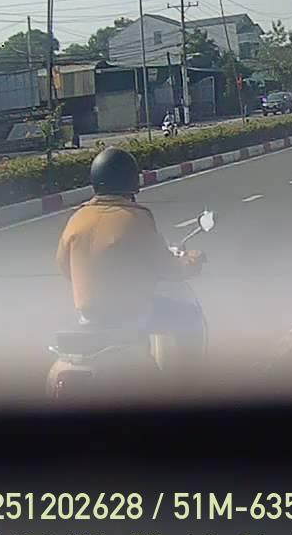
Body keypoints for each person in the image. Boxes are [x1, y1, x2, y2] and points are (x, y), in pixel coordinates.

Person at [56, 148, 207, 370]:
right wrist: (192, 260)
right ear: (131, 181)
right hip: (129, 313)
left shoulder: (76, 218)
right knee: (188, 315)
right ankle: (188, 382)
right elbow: (168, 268)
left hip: (88, 316)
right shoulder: (136, 218)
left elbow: (63, 266)